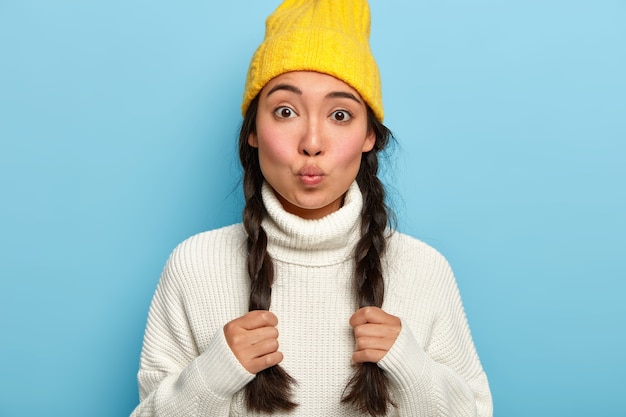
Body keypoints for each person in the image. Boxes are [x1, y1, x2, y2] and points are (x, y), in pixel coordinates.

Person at [130, 0, 492, 416]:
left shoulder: (424, 270)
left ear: (369, 136)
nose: (313, 142)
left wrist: (412, 368)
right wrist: (212, 374)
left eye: (340, 114)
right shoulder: (195, 265)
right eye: (285, 111)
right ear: (253, 131)